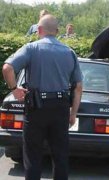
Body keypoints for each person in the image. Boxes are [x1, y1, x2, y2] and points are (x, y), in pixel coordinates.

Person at [2, 14, 83, 180]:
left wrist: (14, 89)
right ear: (58, 31)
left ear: (39, 30)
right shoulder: (69, 52)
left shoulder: (31, 48)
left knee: (33, 156)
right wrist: (73, 114)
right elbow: (78, 87)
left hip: (36, 108)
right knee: (60, 156)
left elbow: (7, 68)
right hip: (61, 108)